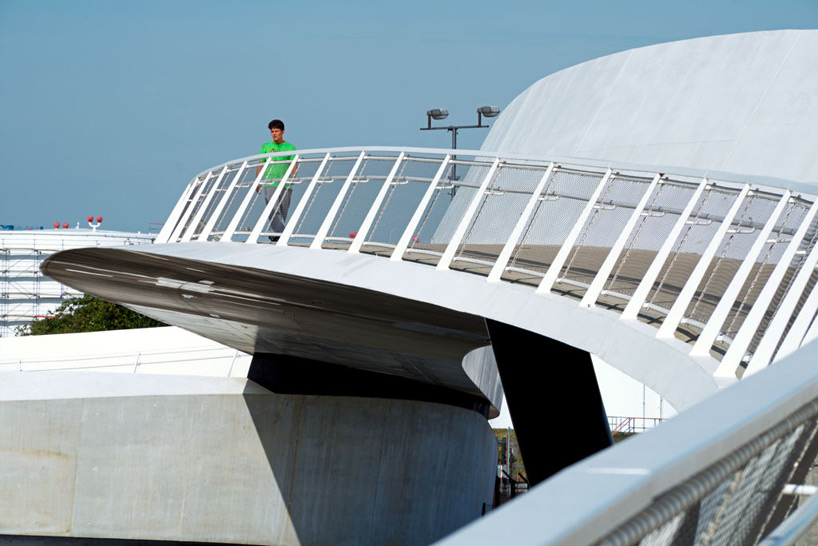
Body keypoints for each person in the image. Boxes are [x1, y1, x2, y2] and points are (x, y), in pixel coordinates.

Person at [257, 119, 297, 240]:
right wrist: (258, 181)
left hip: (285, 184)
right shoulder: (266, 147)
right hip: (270, 182)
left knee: (283, 210)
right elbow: (261, 164)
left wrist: (293, 177)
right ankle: (278, 234)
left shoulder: (290, 147)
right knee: (273, 209)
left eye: (276, 131)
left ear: (282, 132)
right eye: (272, 131)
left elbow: (294, 164)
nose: (274, 134)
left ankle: (274, 234)